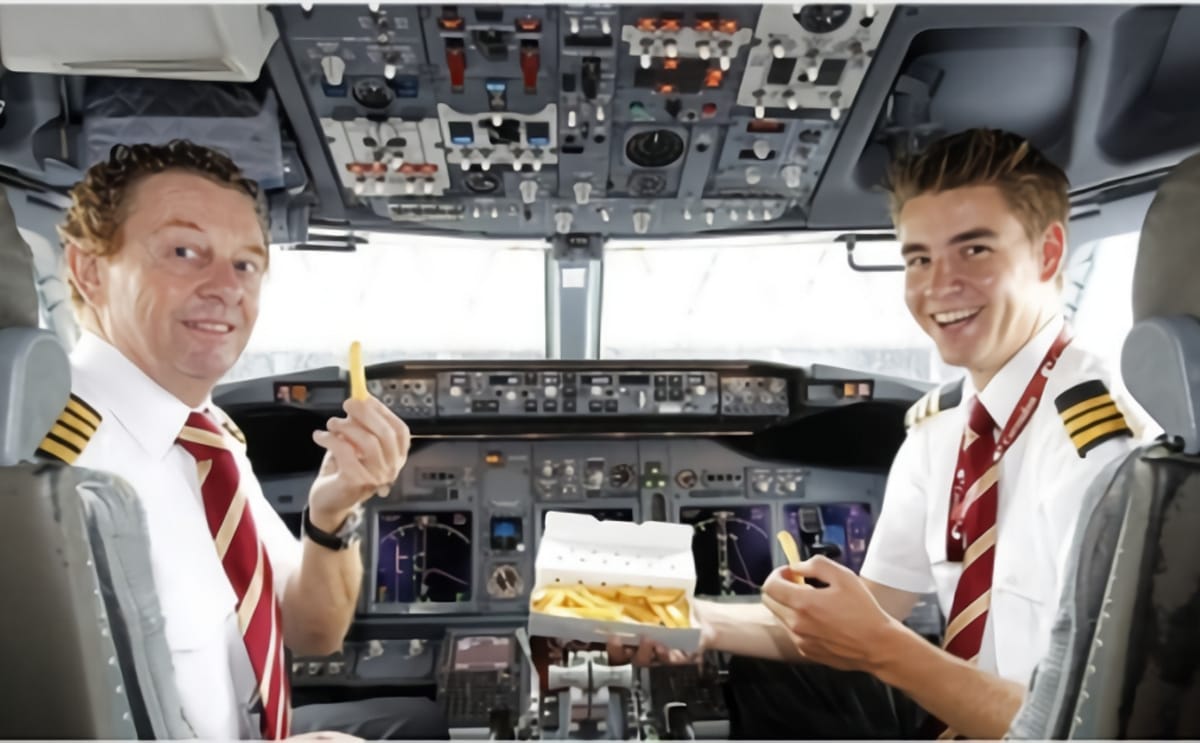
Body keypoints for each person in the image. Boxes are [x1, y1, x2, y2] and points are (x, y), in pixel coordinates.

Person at [611, 128, 1157, 739]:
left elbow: (1085, 723)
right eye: (919, 258)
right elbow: (868, 615)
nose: (938, 285)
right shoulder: (941, 430)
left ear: (1048, 254)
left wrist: (882, 647)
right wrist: (694, 619)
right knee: (775, 674)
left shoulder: (1100, 450)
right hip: (968, 718)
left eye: (974, 250)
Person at [37, 140, 447, 740]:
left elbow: (312, 631)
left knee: (425, 720)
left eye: (246, 264)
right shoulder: (56, 472)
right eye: (184, 252)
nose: (226, 287)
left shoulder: (209, 439)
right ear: (89, 271)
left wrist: (333, 511)